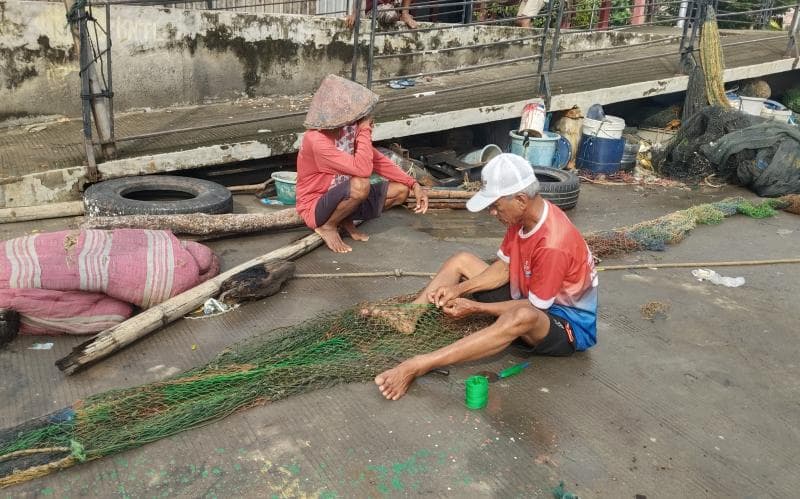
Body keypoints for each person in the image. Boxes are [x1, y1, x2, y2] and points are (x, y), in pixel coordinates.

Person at [368, 153, 599, 400]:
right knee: (462, 260)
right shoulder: (521, 218)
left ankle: (420, 364)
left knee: (520, 316)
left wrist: (475, 307)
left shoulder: (554, 243)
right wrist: (460, 289)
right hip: (530, 294)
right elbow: (503, 268)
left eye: (495, 205)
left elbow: (534, 307)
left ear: (521, 199)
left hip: (563, 324)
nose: (492, 212)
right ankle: (410, 314)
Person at [296, 74, 428, 253]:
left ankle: (344, 218)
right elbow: (364, 169)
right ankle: (328, 225)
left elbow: (376, 160)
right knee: (361, 185)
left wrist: (414, 184)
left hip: (342, 196)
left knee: (401, 191)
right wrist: (365, 130)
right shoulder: (315, 140)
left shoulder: (346, 130)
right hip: (316, 204)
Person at [346, 0, 418, 29]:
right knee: (390, 14)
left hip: (396, 7)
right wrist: (354, 13)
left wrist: (405, 13)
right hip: (375, 7)